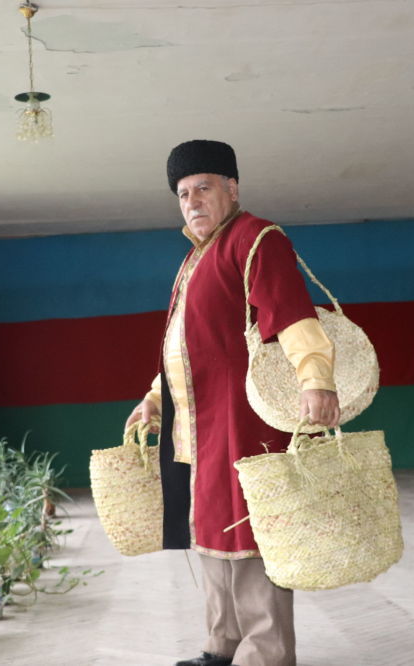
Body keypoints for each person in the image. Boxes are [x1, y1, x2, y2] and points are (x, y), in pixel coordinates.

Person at [125, 139, 340, 666]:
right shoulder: (194, 259)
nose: (192, 202)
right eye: (183, 194)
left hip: (243, 420)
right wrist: (154, 398)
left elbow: (290, 313)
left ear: (232, 189)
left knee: (249, 532)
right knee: (210, 529)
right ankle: (222, 646)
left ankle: (265, 655)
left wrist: (316, 379)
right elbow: (184, 345)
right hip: (197, 426)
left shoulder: (256, 238)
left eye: (203, 188)